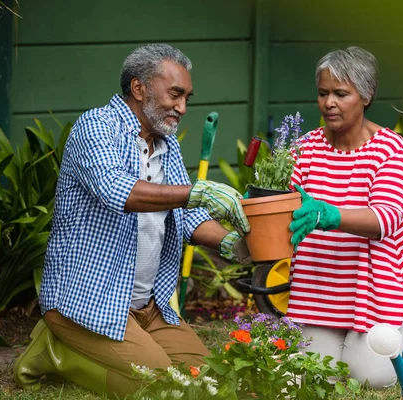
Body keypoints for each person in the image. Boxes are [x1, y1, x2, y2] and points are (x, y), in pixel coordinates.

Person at [13, 43, 251, 398]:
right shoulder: (96, 127)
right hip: (87, 301)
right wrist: (195, 191)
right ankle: (56, 350)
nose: (182, 107)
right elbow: (117, 190)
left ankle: (102, 348)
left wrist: (235, 245)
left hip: (147, 308)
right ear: (139, 88)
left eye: (187, 97)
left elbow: (188, 215)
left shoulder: (165, 145)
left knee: (213, 381)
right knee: (164, 387)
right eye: (175, 94)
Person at [286, 46, 403, 389]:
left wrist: (330, 215)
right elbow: (283, 204)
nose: (329, 103)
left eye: (341, 93)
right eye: (323, 93)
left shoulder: (390, 151)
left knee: (370, 378)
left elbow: (384, 220)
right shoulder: (306, 148)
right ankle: (339, 337)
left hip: (381, 290)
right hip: (321, 290)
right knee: (305, 374)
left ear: (366, 96)